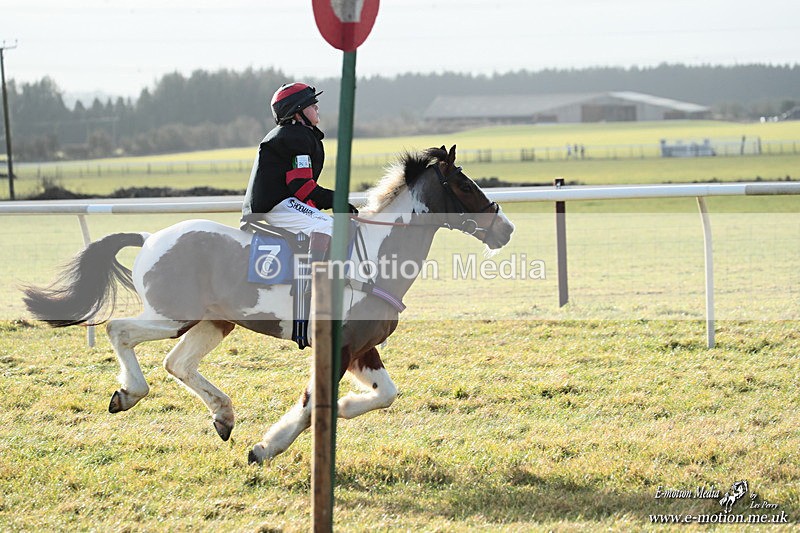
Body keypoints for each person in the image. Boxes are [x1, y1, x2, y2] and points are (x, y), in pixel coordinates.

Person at [242, 82, 354, 266]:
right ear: (298, 111)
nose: (317, 107)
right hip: (276, 205)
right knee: (327, 226)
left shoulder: (296, 134)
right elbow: (301, 186)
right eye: (312, 104)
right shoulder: (295, 136)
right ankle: (314, 281)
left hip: (282, 202)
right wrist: (336, 200)